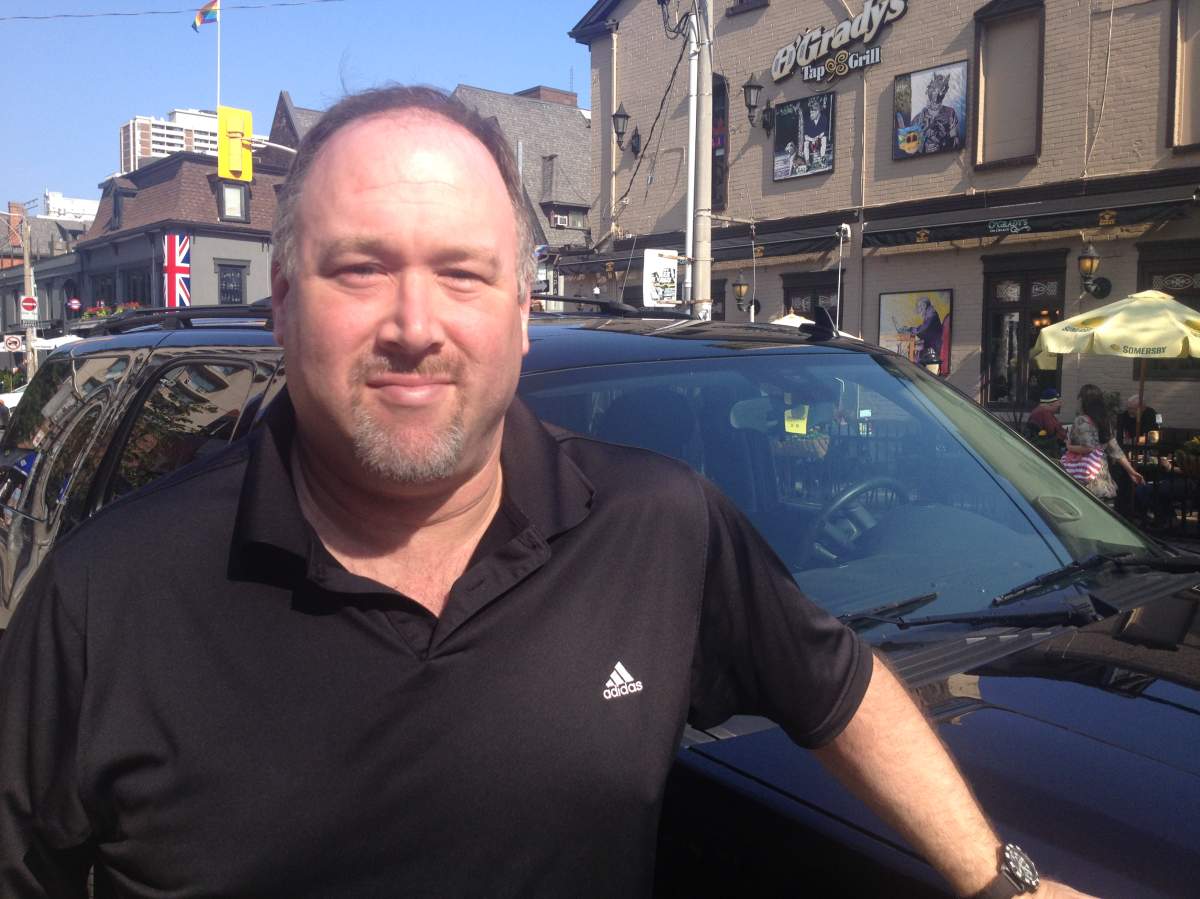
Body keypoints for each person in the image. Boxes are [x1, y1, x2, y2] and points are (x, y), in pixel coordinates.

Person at [0, 86, 1092, 899]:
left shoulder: (658, 525)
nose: (415, 322)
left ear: (521, 309)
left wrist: (1005, 884)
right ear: (282, 303)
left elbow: (833, 679)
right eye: (360, 267)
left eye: (463, 272)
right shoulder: (109, 599)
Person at [1065, 383, 1145, 500]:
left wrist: (1069, 447)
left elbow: (1088, 448)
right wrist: (1131, 471)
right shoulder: (1104, 421)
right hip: (1100, 473)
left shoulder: (1081, 420)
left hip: (1083, 473)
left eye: (1080, 399)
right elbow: (1115, 450)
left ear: (1084, 401)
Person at [912, 71, 962, 154]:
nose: (936, 92)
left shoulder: (950, 113)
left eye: (940, 89)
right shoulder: (918, 119)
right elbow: (911, 148)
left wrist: (943, 141)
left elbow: (955, 140)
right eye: (933, 88)